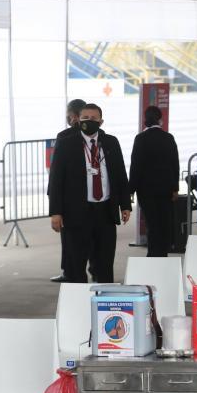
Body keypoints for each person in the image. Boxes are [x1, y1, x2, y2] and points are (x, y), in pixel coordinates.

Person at [48, 103, 131, 283]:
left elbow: (120, 174)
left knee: (104, 262)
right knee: (76, 262)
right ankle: (79, 297)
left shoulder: (111, 142)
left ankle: (104, 295)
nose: (89, 121)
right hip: (76, 212)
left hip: (105, 211)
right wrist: (55, 212)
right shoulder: (66, 143)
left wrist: (125, 205)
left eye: (93, 118)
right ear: (78, 120)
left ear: (101, 122)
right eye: (85, 118)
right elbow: (56, 179)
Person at [128, 106, 179, 258]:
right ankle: (163, 254)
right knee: (164, 222)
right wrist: (175, 188)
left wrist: (131, 189)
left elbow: (135, 165)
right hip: (166, 188)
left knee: (152, 223)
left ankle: (152, 254)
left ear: (145, 119)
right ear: (160, 119)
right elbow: (175, 164)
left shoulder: (140, 138)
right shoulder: (168, 138)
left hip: (146, 190)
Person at [50, 98, 89, 283]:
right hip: (91, 200)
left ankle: (70, 272)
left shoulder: (64, 137)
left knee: (70, 242)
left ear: (74, 115)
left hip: (69, 201)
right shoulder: (100, 137)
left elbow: (56, 172)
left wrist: (54, 204)